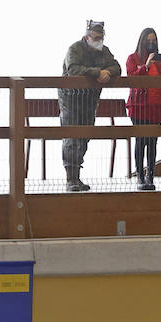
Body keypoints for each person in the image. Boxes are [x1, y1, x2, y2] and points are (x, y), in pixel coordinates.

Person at [59, 20, 121, 193]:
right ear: (87, 36)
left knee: (85, 136)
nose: (99, 40)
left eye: (101, 37)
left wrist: (107, 72)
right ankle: (71, 179)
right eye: (95, 37)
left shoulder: (104, 51)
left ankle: (77, 177)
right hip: (71, 99)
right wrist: (97, 73)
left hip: (89, 100)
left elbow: (117, 66)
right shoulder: (74, 49)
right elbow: (73, 69)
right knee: (71, 138)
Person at [125, 27, 161, 192]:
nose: (151, 43)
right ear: (142, 41)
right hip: (139, 106)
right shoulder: (133, 58)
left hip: (157, 106)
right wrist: (145, 66)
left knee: (152, 142)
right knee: (141, 141)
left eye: (154, 40)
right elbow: (131, 77)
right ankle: (140, 175)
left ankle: (150, 176)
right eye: (148, 40)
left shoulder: (160, 60)